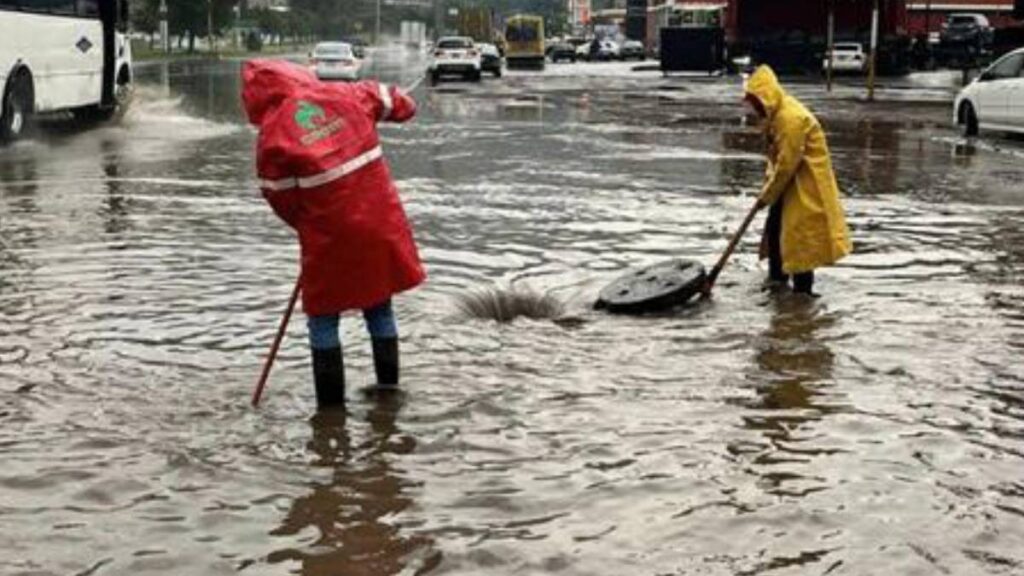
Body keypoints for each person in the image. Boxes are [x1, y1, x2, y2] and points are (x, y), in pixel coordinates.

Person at [241, 59, 425, 408]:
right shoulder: (350, 93)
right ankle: (389, 395)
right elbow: (404, 106)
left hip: (326, 234)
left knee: (323, 319)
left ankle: (329, 415)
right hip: (379, 223)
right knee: (379, 306)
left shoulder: (272, 134)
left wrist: (311, 223)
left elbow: (278, 196)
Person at [743, 65, 852, 295]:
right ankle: (778, 284)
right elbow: (776, 160)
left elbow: (786, 165)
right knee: (776, 231)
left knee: (801, 239)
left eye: (755, 103)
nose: (754, 109)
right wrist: (768, 190)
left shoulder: (790, 119)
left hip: (806, 186)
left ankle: (802, 298)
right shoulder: (777, 116)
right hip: (790, 185)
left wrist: (766, 196)